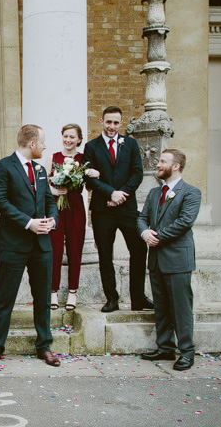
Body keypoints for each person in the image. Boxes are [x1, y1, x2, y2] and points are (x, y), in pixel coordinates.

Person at [0, 124, 60, 368]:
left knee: (43, 297)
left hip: (42, 245)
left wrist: (52, 219)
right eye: (43, 142)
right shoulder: (3, 166)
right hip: (14, 244)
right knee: (6, 297)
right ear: (32, 144)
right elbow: (0, 201)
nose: (45, 147)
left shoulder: (40, 169)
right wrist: (29, 223)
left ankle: (44, 346)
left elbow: (48, 200)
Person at [83, 106, 153, 313]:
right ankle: (111, 298)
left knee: (139, 249)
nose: (112, 126)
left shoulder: (130, 144)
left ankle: (138, 298)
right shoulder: (91, 146)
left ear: (120, 123)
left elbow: (137, 173)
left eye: (115, 122)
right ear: (102, 121)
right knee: (105, 254)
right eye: (108, 122)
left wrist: (120, 195)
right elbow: (88, 177)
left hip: (127, 208)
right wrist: (110, 194)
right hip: (102, 209)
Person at [137, 149, 201, 371]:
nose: (158, 164)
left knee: (181, 307)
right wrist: (145, 233)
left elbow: (185, 222)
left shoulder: (191, 193)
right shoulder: (155, 193)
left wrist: (157, 237)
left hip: (177, 259)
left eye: (163, 161)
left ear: (176, 166)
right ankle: (165, 347)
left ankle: (187, 351)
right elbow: (142, 217)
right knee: (162, 306)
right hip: (156, 259)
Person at [45, 124, 99, 311]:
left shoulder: (84, 159)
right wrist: (54, 190)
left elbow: (91, 184)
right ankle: (52, 291)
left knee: (75, 249)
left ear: (79, 139)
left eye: (72, 137)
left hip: (75, 206)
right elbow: (43, 185)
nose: (68, 140)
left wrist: (96, 173)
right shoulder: (52, 158)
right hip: (56, 208)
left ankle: (72, 292)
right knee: (55, 249)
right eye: (65, 136)